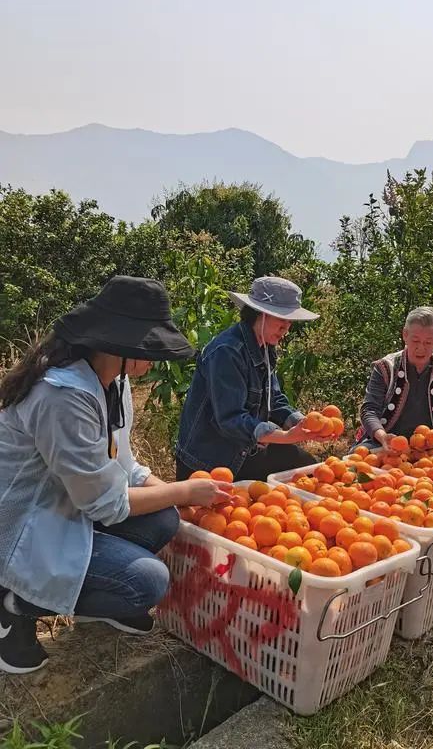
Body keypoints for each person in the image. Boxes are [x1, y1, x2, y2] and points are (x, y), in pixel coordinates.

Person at [0, 276, 233, 675]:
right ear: (119, 346)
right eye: (149, 350)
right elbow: (105, 504)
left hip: (63, 512)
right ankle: (16, 601)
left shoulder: (112, 383)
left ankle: (89, 602)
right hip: (22, 530)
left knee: (165, 518)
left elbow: (125, 467)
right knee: (146, 583)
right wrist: (183, 490)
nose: (154, 361)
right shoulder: (64, 396)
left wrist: (188, 498)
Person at [176, 276, 321, 482]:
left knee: (310, 470)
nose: (286, 328)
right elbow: (230, 419)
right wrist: (285, 437)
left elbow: (274, 399)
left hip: (245, 450)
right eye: (281, 320)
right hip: (210, 460)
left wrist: (302, 423)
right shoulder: (227, 351)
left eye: (290, 321)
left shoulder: (265, 346)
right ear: (261, 314)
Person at [355, 306, 433, 453]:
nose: (421, 348)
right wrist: (383, 436)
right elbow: (369, 410)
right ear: (405, 335)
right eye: (415, 340)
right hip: (383, 444)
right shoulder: (385, 367)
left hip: (430, 450)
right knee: (358, 462)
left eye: (428, 342)